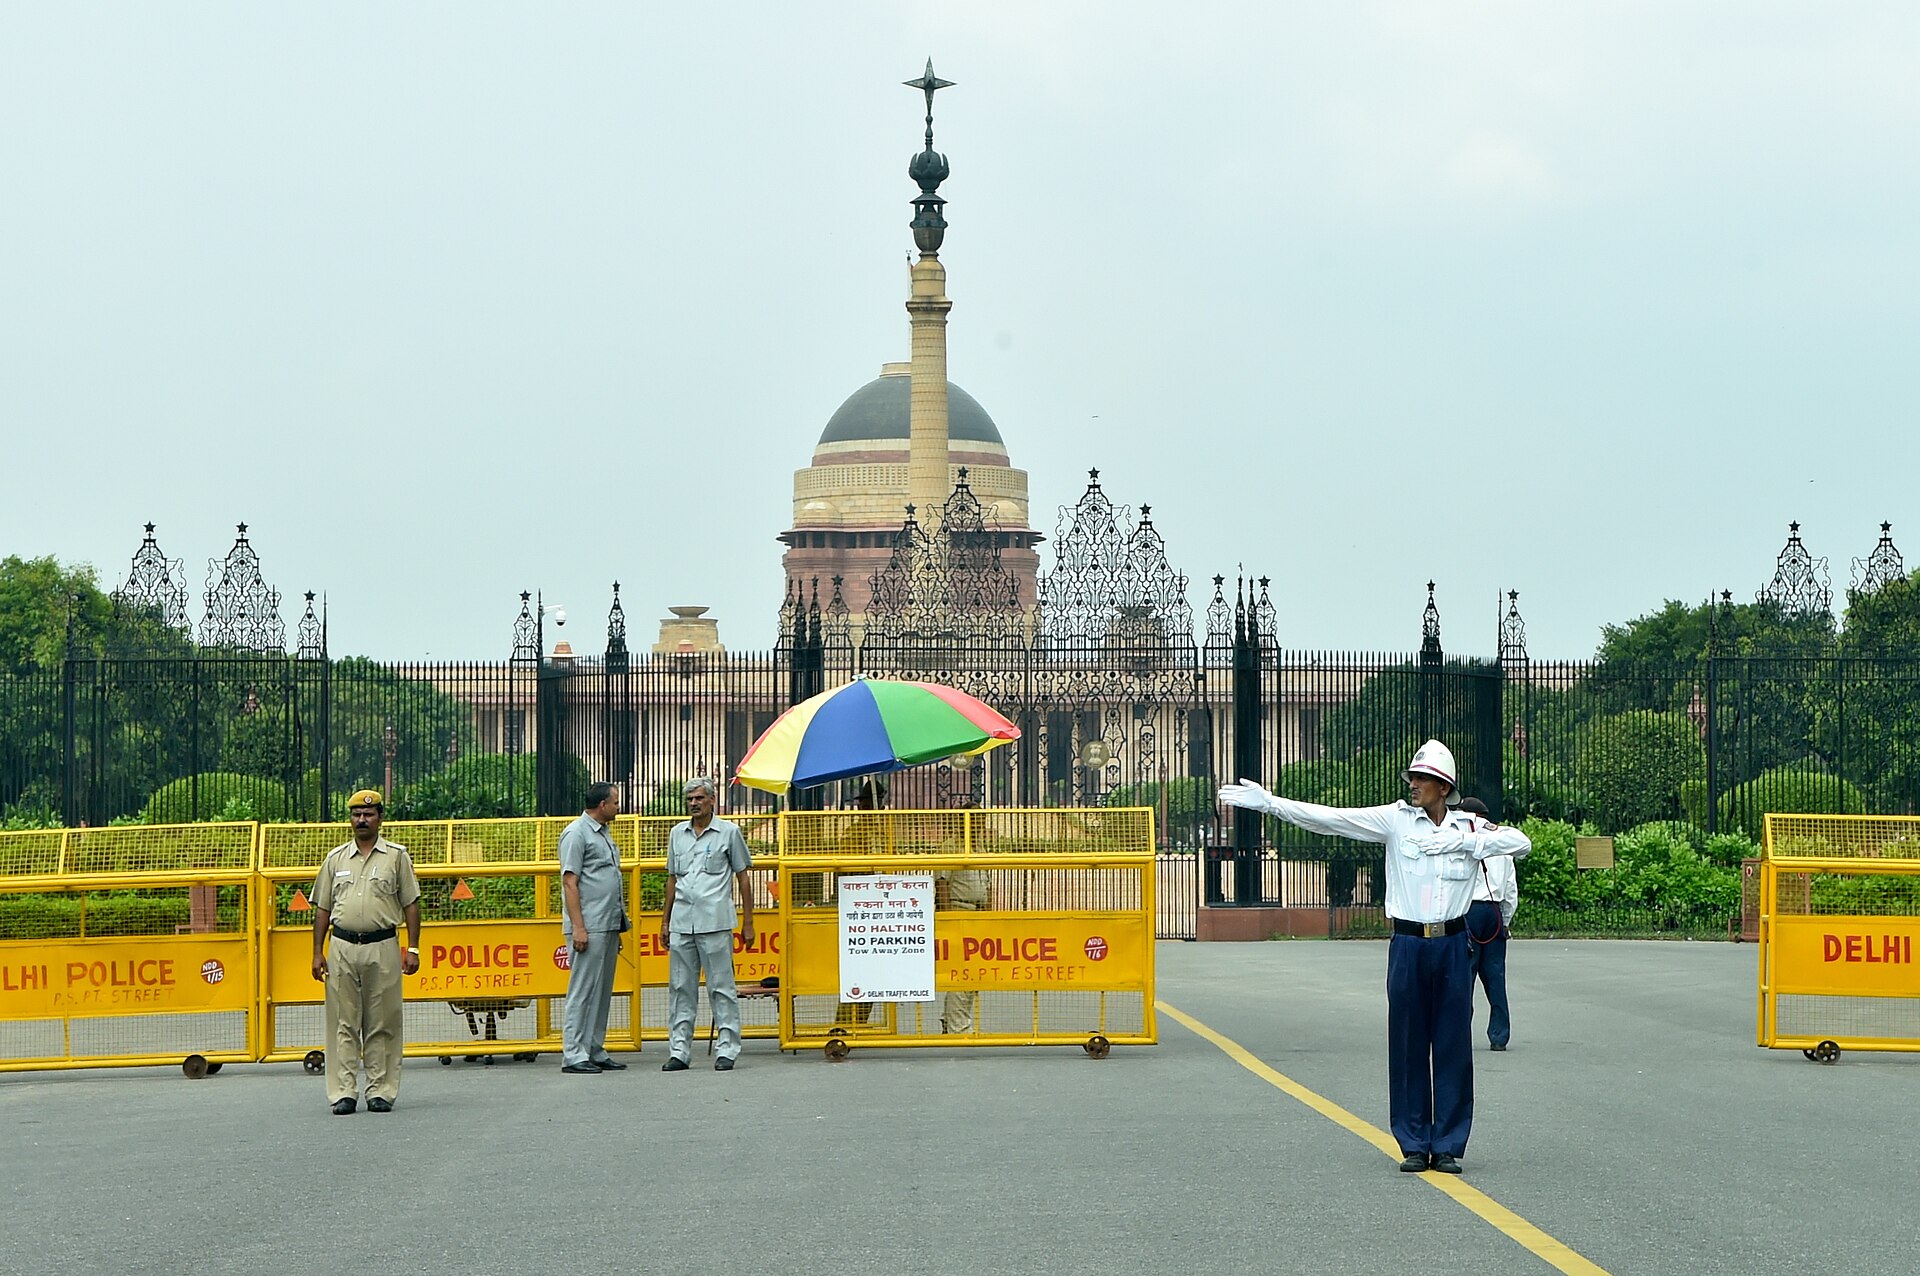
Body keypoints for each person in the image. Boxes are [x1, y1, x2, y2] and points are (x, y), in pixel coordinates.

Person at [1220, 740, 1529, 1175]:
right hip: (1408, 943)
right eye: (1413, 777)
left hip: (1454, 944)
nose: (1414, 785)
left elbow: (1521, 843)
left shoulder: (1470, 826)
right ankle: (1414, 1142)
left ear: (1444, 787)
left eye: (1422, 779)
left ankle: (1448, 1144)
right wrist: (1270, 804)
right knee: (1407, 1043)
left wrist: (1465, 843)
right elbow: (1332, 820)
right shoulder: (1396, 821)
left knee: (1453, 1044)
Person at [309, 789, 421, 1115]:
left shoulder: (397, 857)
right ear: (350, 818)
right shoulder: (335, 859)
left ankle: (380, 1090)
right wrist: (318, 952)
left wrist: (412, 947)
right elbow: (322, 909)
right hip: (342, 947)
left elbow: (411, 904)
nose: (362, 819)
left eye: (369, 814)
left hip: (383, 946)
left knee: (382, 1021)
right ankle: (343, 1092)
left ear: (380, 818)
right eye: (357, 814)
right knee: (343, 1022)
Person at [660, 777, 755, 1072]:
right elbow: (672, 880)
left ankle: (727, 1049)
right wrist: (665, 921)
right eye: (690, 799)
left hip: (715, 922)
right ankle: (679, 1050)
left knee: (721, 987)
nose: (694, 803)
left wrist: (748, 922)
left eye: (699, 798)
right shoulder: (678, 833)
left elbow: (742, 877)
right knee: (680, 988)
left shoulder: (728, 833)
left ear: (712, 800)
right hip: (682, 923)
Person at [559, 781, 630, 1074]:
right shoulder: (577, 833)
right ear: (602, 805)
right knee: (583, 990)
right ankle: (574, 1053)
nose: (618, 807)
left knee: (601, 991)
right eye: (615, 803)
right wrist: (578, 927)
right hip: (588, 924)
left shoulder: (602, 833)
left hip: (607, 922)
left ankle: (594, 1048)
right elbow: (569, 881)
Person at [1457, 796, 1516, 1052]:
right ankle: (1499, 1036)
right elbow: (1511, 889)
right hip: (1494, 911)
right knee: (1495, 976)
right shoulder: (1501, 843)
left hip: (1467, 910)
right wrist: (1506, 920)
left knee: (1463, 976)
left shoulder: (1462, 842)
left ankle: (1459, 1034)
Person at [935, 789, 989, 1035]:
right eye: (975, 820)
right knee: (960, 971)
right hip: (960, 911)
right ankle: (958, 1027)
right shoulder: (951, 847)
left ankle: (954, 1020)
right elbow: (942, 883)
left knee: (975, 973)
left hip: (978, 915)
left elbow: (987, 883)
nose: (980, 825)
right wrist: (948, 919)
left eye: (982, 820)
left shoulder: (980, 848)